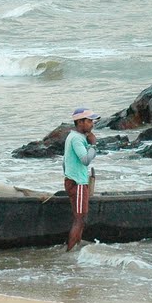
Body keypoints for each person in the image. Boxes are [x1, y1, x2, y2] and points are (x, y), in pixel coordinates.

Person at [63, 107, 99, 251]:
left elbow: (64, 162)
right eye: (89, 121)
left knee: (81, 217)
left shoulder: (74, 137)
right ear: (80, 122)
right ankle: (69, 252)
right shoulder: (77, 139)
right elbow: (85, 160)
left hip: (76, 181)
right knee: (79, 219)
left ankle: (75, 249)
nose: (92, 124)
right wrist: (94, 144)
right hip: (77, 183)